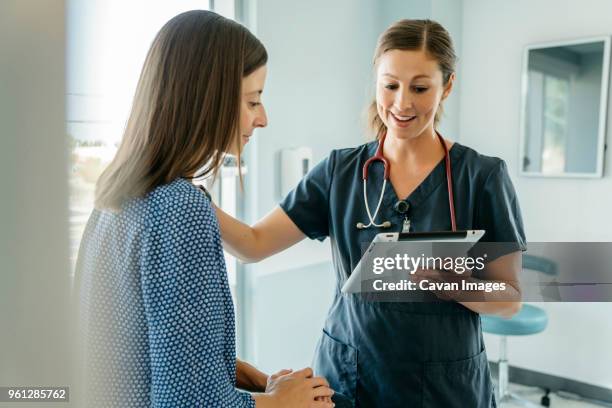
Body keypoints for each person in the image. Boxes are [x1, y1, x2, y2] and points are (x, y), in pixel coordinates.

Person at [215, 19, 526, 407]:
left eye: (420, 87)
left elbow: (509, 298)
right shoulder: (340, 172)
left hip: (447, 386)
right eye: (390, 85)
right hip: (349, 379)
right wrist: (193, 197)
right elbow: (252, 244)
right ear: (376, 80)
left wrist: (436, 276)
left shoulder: (481, 176)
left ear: (447, 86)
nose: (402, 103)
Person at [76, 10, 334, 408]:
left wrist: (248, 376)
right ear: (208, 99)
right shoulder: (181, 209)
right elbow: (189, 401)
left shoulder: (115, 198)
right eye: (252, 101)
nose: (262, 119)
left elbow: (141, 353)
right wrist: (282, 403)